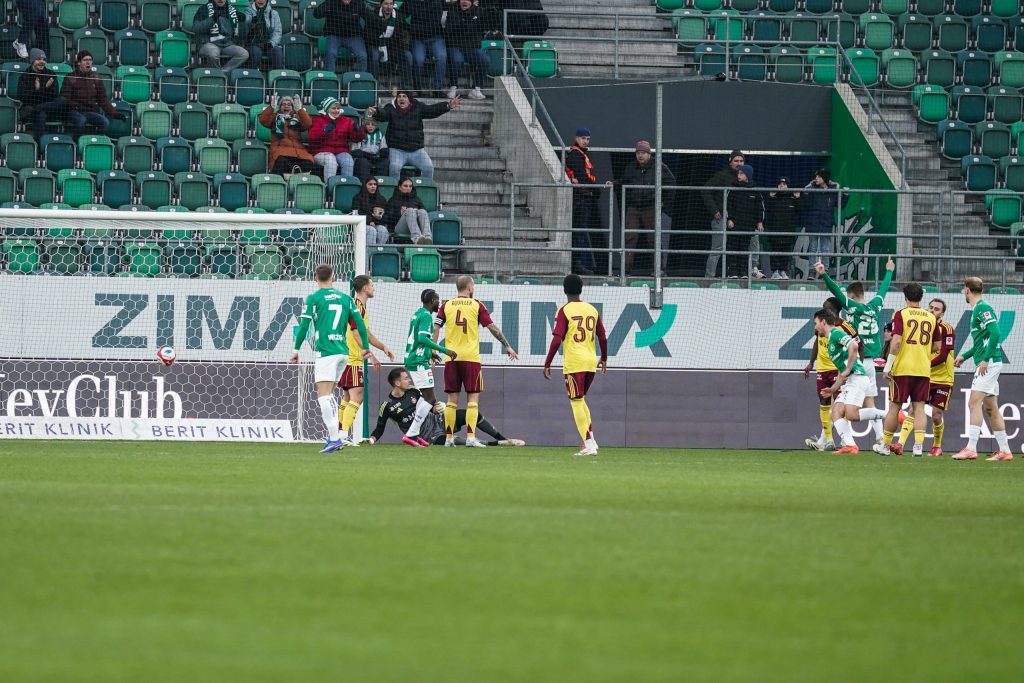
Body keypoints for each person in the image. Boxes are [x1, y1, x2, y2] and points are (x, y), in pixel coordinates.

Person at [289, 264, 370, 454]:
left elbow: (304, 326)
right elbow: (359, 324)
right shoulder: (346, 298)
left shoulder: (314, 298)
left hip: (327, 351)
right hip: (343, 352)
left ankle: (335, 437)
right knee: (330, 393)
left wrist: (296, 349)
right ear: (333, 278)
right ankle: (336, 435)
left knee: (323, 395)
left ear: (315, 278)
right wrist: (365, 346)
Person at [434, 275, 519, 448]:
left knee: (451, 400)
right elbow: (492, 328)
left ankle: (449, 439)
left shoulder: (446, 305)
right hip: (471, 358)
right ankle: (471, 438)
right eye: (473, 286)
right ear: (470, 288)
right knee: (473, 398)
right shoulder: (477, 305)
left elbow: (435, 327)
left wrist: (433, 351)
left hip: (451, 358)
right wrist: (507, 346)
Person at [819, 256, 895, 446]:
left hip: (858, 362)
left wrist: (824, 274)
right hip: (871, 362)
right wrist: (889, 271)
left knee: (848, 408)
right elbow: (883, 290)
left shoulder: (852, 307)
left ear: (852, 297)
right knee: (870, 401)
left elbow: (835, 291)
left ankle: (846, 441)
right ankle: (880, 438)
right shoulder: (875, 306)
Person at [365, 368, 525, 446]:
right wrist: (371, 440)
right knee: (457, 441)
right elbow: (379, 429)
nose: (409, 380)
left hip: (439, 420)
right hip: (429, 436)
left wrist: (438, 407)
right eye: (406, 378)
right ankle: (497, 445)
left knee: (471, 415)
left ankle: (502, 439)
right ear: (397, 383)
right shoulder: (387, 406)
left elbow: (430, 406)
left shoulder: (413, 391)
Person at [543, 274, 608, 457]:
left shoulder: (564, 310)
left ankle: (588, 445)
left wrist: (547, 363)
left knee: (576, 401)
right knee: (581, 399)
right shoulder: (592, 309)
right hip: (590, 361)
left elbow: (557, 339)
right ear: (581, 289)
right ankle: (592, 440)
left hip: (575, 363)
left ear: (564, 290)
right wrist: (604, 358)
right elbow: (602, 336)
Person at [952, 277, 1013, 461]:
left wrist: (985, 359)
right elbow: (982, 341)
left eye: (964, 290)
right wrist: (965, 356)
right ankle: (1005, 451)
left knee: (973, 403)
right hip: (989, 361)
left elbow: (996, 332)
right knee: (991, 408)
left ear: (967, 290)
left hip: (989, 363)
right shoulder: (978, 309)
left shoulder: (982, 308)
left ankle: (971, 448)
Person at [813, 310, 888, 455]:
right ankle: (850, 445)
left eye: (816, 323)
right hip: (851, 381)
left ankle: (892, 415)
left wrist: (848, 369)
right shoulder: (831, 339)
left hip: (857, 378)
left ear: (823, 322)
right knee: (836, 412)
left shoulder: (835, 333)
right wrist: (833, 389)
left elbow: (853, 345)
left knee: (852, 415)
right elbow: (841, 370)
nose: (815, 327)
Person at [878, 283, 938, 457]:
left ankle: (886, 446)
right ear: (921, 297)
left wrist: (888, 366)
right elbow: (937, 346)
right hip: (922, 369)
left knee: (894, 407)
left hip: (903, 368)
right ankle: (918, 447)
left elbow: (896, 342)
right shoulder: (931, 317)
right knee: (919, 408)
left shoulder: (901, 314)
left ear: (905, 297)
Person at [893, 298, 956, 457]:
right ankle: (900, 444)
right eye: (931, 307)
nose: (932, 310)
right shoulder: (923, 323)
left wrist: (924, 364)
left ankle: (937, 446)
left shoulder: (947, 329)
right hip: (925, 375)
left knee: (936, 414)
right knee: (913, 409)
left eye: (937, 309)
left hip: (943, 378)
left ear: (942, 313)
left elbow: (943, 355)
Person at [337, 275, 393, 445]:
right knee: (358, 396)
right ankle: (342, 436)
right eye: (371, 285)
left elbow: (366, 333)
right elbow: (356, 334)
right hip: (353, 358)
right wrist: (371, 355)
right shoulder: (357, 307)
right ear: (364, 288)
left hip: (350, 357)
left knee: (348, 397)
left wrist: (383, 347)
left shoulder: (360, 307)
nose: (373, 288)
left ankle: (338, 435)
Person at [401, 288, 457, 448]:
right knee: (430, 399)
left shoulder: (418, 313)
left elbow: (418, 340)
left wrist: (430, 354)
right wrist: (444, 350)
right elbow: (422, 338)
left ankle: (415, 434)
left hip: (415, 358)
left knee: (424, 397)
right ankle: (411, 434)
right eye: (437, 299)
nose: (439, 302)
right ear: (432, 301)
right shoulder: (426, 316)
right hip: (418, 361)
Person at [804, 298, 860, 452]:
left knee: (841, 405)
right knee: (824, 401)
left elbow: (858, 346)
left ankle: (844, 440)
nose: (823, 310)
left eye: (826, 307)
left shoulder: (844, 327)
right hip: (822, 369)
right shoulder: (821, 327)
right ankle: (828, 440)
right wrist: (811, 362)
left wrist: (852, 367)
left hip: (837, 369)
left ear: (834, 310)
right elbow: (817, 342)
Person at [367, 90, 459, 179]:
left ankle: (425, 188)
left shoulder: (418, 107)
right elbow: (383, 114)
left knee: (428, 167)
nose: (401, 98)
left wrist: (448, 106)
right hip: (396, 150)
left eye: (404, 96)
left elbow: (431, 110)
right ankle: (395, 189)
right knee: (394, 168)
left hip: (417, 151)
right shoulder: (390, 107)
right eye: (399, 96)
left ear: (409, 99)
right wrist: (376, 112)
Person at [617, 139, 675, 276]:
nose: (640, 155)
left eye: (643, 153)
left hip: (651, 207)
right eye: (638, 153)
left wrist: (663, 203)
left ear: (649, 154)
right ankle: (625, 271)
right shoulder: (631, 167)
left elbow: (671, 183)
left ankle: (658, 269)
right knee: (629, 237)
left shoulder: (659, 166)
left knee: (654, 238)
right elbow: (623, 181)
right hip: (634, 207)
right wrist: (613, 183)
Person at [565, 127, 603, 275]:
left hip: (583, 196)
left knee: (579, 231)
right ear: (576, 138)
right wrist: (596, 188)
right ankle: (575, 264)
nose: (586, 141)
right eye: (583, 138)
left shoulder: (580, 154)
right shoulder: (576, 155)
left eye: (587, 139)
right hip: (580, 197)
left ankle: (576, 263)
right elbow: (582, 176)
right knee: (578, 231)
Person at [60, 51, 125, 138]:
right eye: (85, 60)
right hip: (73, 111)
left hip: (89, 111)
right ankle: (76, 141)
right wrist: (77, 107)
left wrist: (115, 113)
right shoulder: (70, 78)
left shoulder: (96, 78)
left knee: (104, 122)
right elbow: (65, 98)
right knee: (81, 120)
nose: (88, 62)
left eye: (90, 60)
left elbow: (103, 99)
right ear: (79, 63)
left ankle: (94, 139)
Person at [702, 150, 744, 278]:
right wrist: (714, 210)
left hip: (739, 218)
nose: (739, 164)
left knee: (743, 245)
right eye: (736, 161)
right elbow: (705, 190)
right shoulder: (722, 175)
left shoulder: (745, 178)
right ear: (730, 162)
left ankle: (743, 273)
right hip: (722, 217)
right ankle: (709, 277)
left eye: (741, 161)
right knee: (718, 248)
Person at [257, 94, 317, 177]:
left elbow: (308, 123)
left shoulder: (297, 118)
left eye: (289, 104)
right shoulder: (275, 118)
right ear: (280, 107)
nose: (286, 106)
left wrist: (299, 109)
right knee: (282, 161)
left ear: (293, 107)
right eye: (283, 104)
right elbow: (263, 120)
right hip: (280, 150)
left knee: (308, 162)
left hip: (299, 151)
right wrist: (271, 107)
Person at [802, 169, 846, 277]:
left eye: (819, 177)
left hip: (826, 223)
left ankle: (824, 272)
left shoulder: (832, 190)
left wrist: (845, 194)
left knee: (825, 248)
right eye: (816, 176)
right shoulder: (812, 189)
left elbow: (840, 205)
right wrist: (807, 189)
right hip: (813, 223)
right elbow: (806, 203)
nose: (816, 179)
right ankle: (811, 272)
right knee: (812, 248)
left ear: (824, 178)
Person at [309, 96, 366, 180]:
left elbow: (356, 139)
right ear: (327, 109)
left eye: (338, 108)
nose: (336, 111)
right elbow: (312, 137)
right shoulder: (317, 120)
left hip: (341, 151)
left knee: (348, 161)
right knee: (331, 161)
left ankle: (345, 185)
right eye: (333, 108)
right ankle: (329, 185)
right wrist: (324, 131)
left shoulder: (346, 121)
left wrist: (358, 131)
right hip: (322, 151)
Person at [725, 164, 766, 279]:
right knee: (733, 247)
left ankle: (743, 271)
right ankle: (732, 271)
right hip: (735, 224)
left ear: (748, 175)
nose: (739, 175)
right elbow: (727, 205)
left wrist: (759, 221)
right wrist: (729, 219)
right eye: (738, 173)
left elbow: (760, 207)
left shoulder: (755, 190)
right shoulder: (733, 189)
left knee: (744, 248)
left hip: (747, 225)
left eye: (741, 173)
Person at [444, 0, 489, 100]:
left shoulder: (478, 11)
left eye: (468, 0)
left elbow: (480, 29)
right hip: (454, 45)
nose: (465, 2)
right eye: (463, 0)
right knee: (457, 60)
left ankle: (476, 89)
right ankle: (453, 86)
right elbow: (449, 30)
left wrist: (465, 24)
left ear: (472, 2)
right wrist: (467, 24)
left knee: (485, 60)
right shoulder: (452, 11)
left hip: (471, 47)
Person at [314, 0, 373, 74]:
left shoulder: (358, 3)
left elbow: (370, 17)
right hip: (334, 36)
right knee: (331, 54)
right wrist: (329, 3)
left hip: (353, 36)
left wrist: (381, 22)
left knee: (363, 56)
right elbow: (316, 14)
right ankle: (329, 77)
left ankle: (360, 78)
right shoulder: (331, 2)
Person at [402, 0, 447, 96]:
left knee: (442, 57)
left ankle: (437, 89)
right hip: (417, 39)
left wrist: (414, 28)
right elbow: (399, 16)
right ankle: (418, 89)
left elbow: (434, 25)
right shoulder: (410, 2)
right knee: (418, 60)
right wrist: (409, 27)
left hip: (435, 38)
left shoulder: (437, 3)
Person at [193, 0, 250, 72]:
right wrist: (212, 19)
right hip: (208, 43)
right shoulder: (203, 9)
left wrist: (242, 22)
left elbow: (243, 35)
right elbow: (197, 28)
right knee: (213, 54)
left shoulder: (232, 10)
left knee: (243, 54)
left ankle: (223, 72)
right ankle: (216, 72)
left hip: (228, 44)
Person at [18, 49, 62, 142]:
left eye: (44, 59)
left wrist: (40, 90)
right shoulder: (25, 76)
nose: (42, 61)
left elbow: (55, 95)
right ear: (32, 61)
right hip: (32, 110)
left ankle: (38, 108)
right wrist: (42, 89)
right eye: (38, 59)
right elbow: (23, 97)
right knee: (41, 114)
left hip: (49, 109)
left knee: (62, 100)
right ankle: (38, 143)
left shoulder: (51, 74)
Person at [765, 177, 801, 279]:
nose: (782, 186)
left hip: (788, 231)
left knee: (786, 252)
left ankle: (783, 271)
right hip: (775, 230)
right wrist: (770, 198)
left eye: (784, 184)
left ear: (788, 186)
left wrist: (798, 199)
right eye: (780, 184)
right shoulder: (773, 198)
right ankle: (775, 272)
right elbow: (766, 209)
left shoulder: (792, 198)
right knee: (775, 251)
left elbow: (800, 210)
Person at [383, 176, 432, 244]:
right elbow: (387, 219)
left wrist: (417, 212)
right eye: (405, 186)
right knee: (410, 211)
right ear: (400, 187)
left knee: (422, 211)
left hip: (416, 226)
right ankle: (417, 238)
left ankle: (427, 238)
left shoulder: (416, 199)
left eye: (410, 186)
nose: (408, 188)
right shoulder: (393, 200)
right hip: (400, 228)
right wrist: (399, 213)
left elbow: (424, 214)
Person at [364, 0, 405, 80]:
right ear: (381, 5)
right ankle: (374, 82)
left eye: (391, 4)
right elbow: (367, 34)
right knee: (375, 55)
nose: (389, 7)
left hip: (393, 47)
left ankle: (406, 85)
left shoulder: (399, 17)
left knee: (407, 55)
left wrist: (396, 47)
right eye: (386, 4)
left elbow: (403, 34)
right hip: (375, 44)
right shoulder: (372, 15)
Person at [244, 0, 284, 71]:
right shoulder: (248, 11)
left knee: (277, 51)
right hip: (253, 43)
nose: (261, 0)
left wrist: (271, 43)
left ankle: (277, 75)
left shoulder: (274, 13)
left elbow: (277, 32)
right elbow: (247, 20)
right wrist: (252, 22)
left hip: (268, 43)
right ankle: (252, 74)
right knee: (255, 52)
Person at [352, 177, 391, 245]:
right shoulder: (357, 198)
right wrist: (369, 221)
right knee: (371, 230)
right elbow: (357, 213)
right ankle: (369, 251)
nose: (373, 186)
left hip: (377, 224)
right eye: (370, 184)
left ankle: (378, 250)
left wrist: (380, 217)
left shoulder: (381, 199)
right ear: (365, 185)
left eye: (375, 184)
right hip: (362, 224)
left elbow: (387, 216)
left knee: (383, 230)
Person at [351, 117, 389, 182]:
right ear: (365, 125)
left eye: (373, 125)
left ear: (376, 126)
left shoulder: (380, 134)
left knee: (385, 162)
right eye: (368, 124)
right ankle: (364, 183)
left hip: (375, 157)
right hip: (363, 156)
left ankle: (380, 183)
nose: (370, 126)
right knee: (363, 163)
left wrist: (384, 151)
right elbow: (355, 150)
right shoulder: (361, 133)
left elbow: (383, 147)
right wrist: (361, 153)